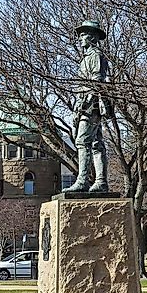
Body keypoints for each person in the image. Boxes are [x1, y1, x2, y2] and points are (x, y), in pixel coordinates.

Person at [64, 20, 111, 193]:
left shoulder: (95, 55)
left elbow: (97, 81)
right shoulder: (86, 58)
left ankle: (83, 181)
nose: (80, 38)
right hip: (85, 103)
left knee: (82, 141)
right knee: (97, 143)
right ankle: (101, 182)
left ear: (92, 37)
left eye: (84, 34)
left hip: (91, 104)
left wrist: (85, 104)